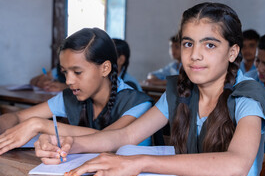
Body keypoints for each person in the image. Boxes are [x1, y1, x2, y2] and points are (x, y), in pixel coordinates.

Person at [34, 3, 265, 176]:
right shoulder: (179, 91)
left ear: (232, 52)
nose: (195, 55)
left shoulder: (247, 95)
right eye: (187, 44)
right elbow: (127, 135)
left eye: (210, 45)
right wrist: (66, 145)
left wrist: (141, 162)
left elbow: (236, 163)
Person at [0, 28, 153, 154]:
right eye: (65, 72)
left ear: (105, 68)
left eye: (77, 72)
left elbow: (108, 139)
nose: (68, 81)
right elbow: (18, 117)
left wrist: (39, 125)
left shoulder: (138, 103)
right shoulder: (72, 96)